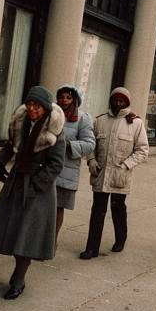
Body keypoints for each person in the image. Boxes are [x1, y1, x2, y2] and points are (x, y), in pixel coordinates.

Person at [0, 86, 66, 299]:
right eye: (29, 104)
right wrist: (0, 161)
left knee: (26, 236)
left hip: (38, 190)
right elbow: (12, 145)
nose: (32, 109)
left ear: (45, 108)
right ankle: (17, 276)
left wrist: (37, 185)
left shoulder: (55, 132)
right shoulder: (20, 123)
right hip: (17, 184)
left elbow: (56, 165)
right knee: (10, 229)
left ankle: (18, 280)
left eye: (37, 106)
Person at [80, 87, 149, 259]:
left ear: (127, 102)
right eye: (115, 100)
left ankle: (121, 238)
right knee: (97, 211)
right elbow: (90, 144)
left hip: (120, 175)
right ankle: (92, 248)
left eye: (122, 101)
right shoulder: (100, 121)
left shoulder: (136, 123)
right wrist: (91, 160)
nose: (118, 103)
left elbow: (142, 150)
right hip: (100, 173)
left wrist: (126, 165)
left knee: (118, 208)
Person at [54, 85, 95, 246]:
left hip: (66, 171)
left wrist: (68, 145)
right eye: (61, 97)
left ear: (75, 100)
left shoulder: (83, 118)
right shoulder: (51, 114)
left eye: (68, 97)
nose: (64, 100)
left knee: (58, 208)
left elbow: (90, 144)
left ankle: (52, 241)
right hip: (46, 168)